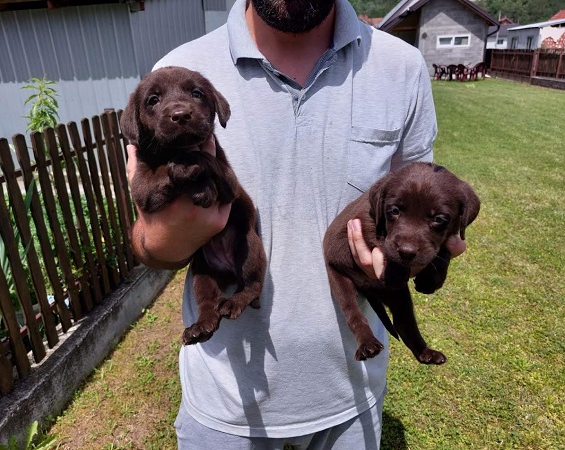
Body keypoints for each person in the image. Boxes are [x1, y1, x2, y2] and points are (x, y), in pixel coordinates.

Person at [126, 1, 467, 448]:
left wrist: (416, 260)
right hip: (226, 405)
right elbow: (150, 246)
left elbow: (417, 206)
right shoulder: (181, 73)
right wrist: (179, 228)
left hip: (351, 393)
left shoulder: (400, 67)